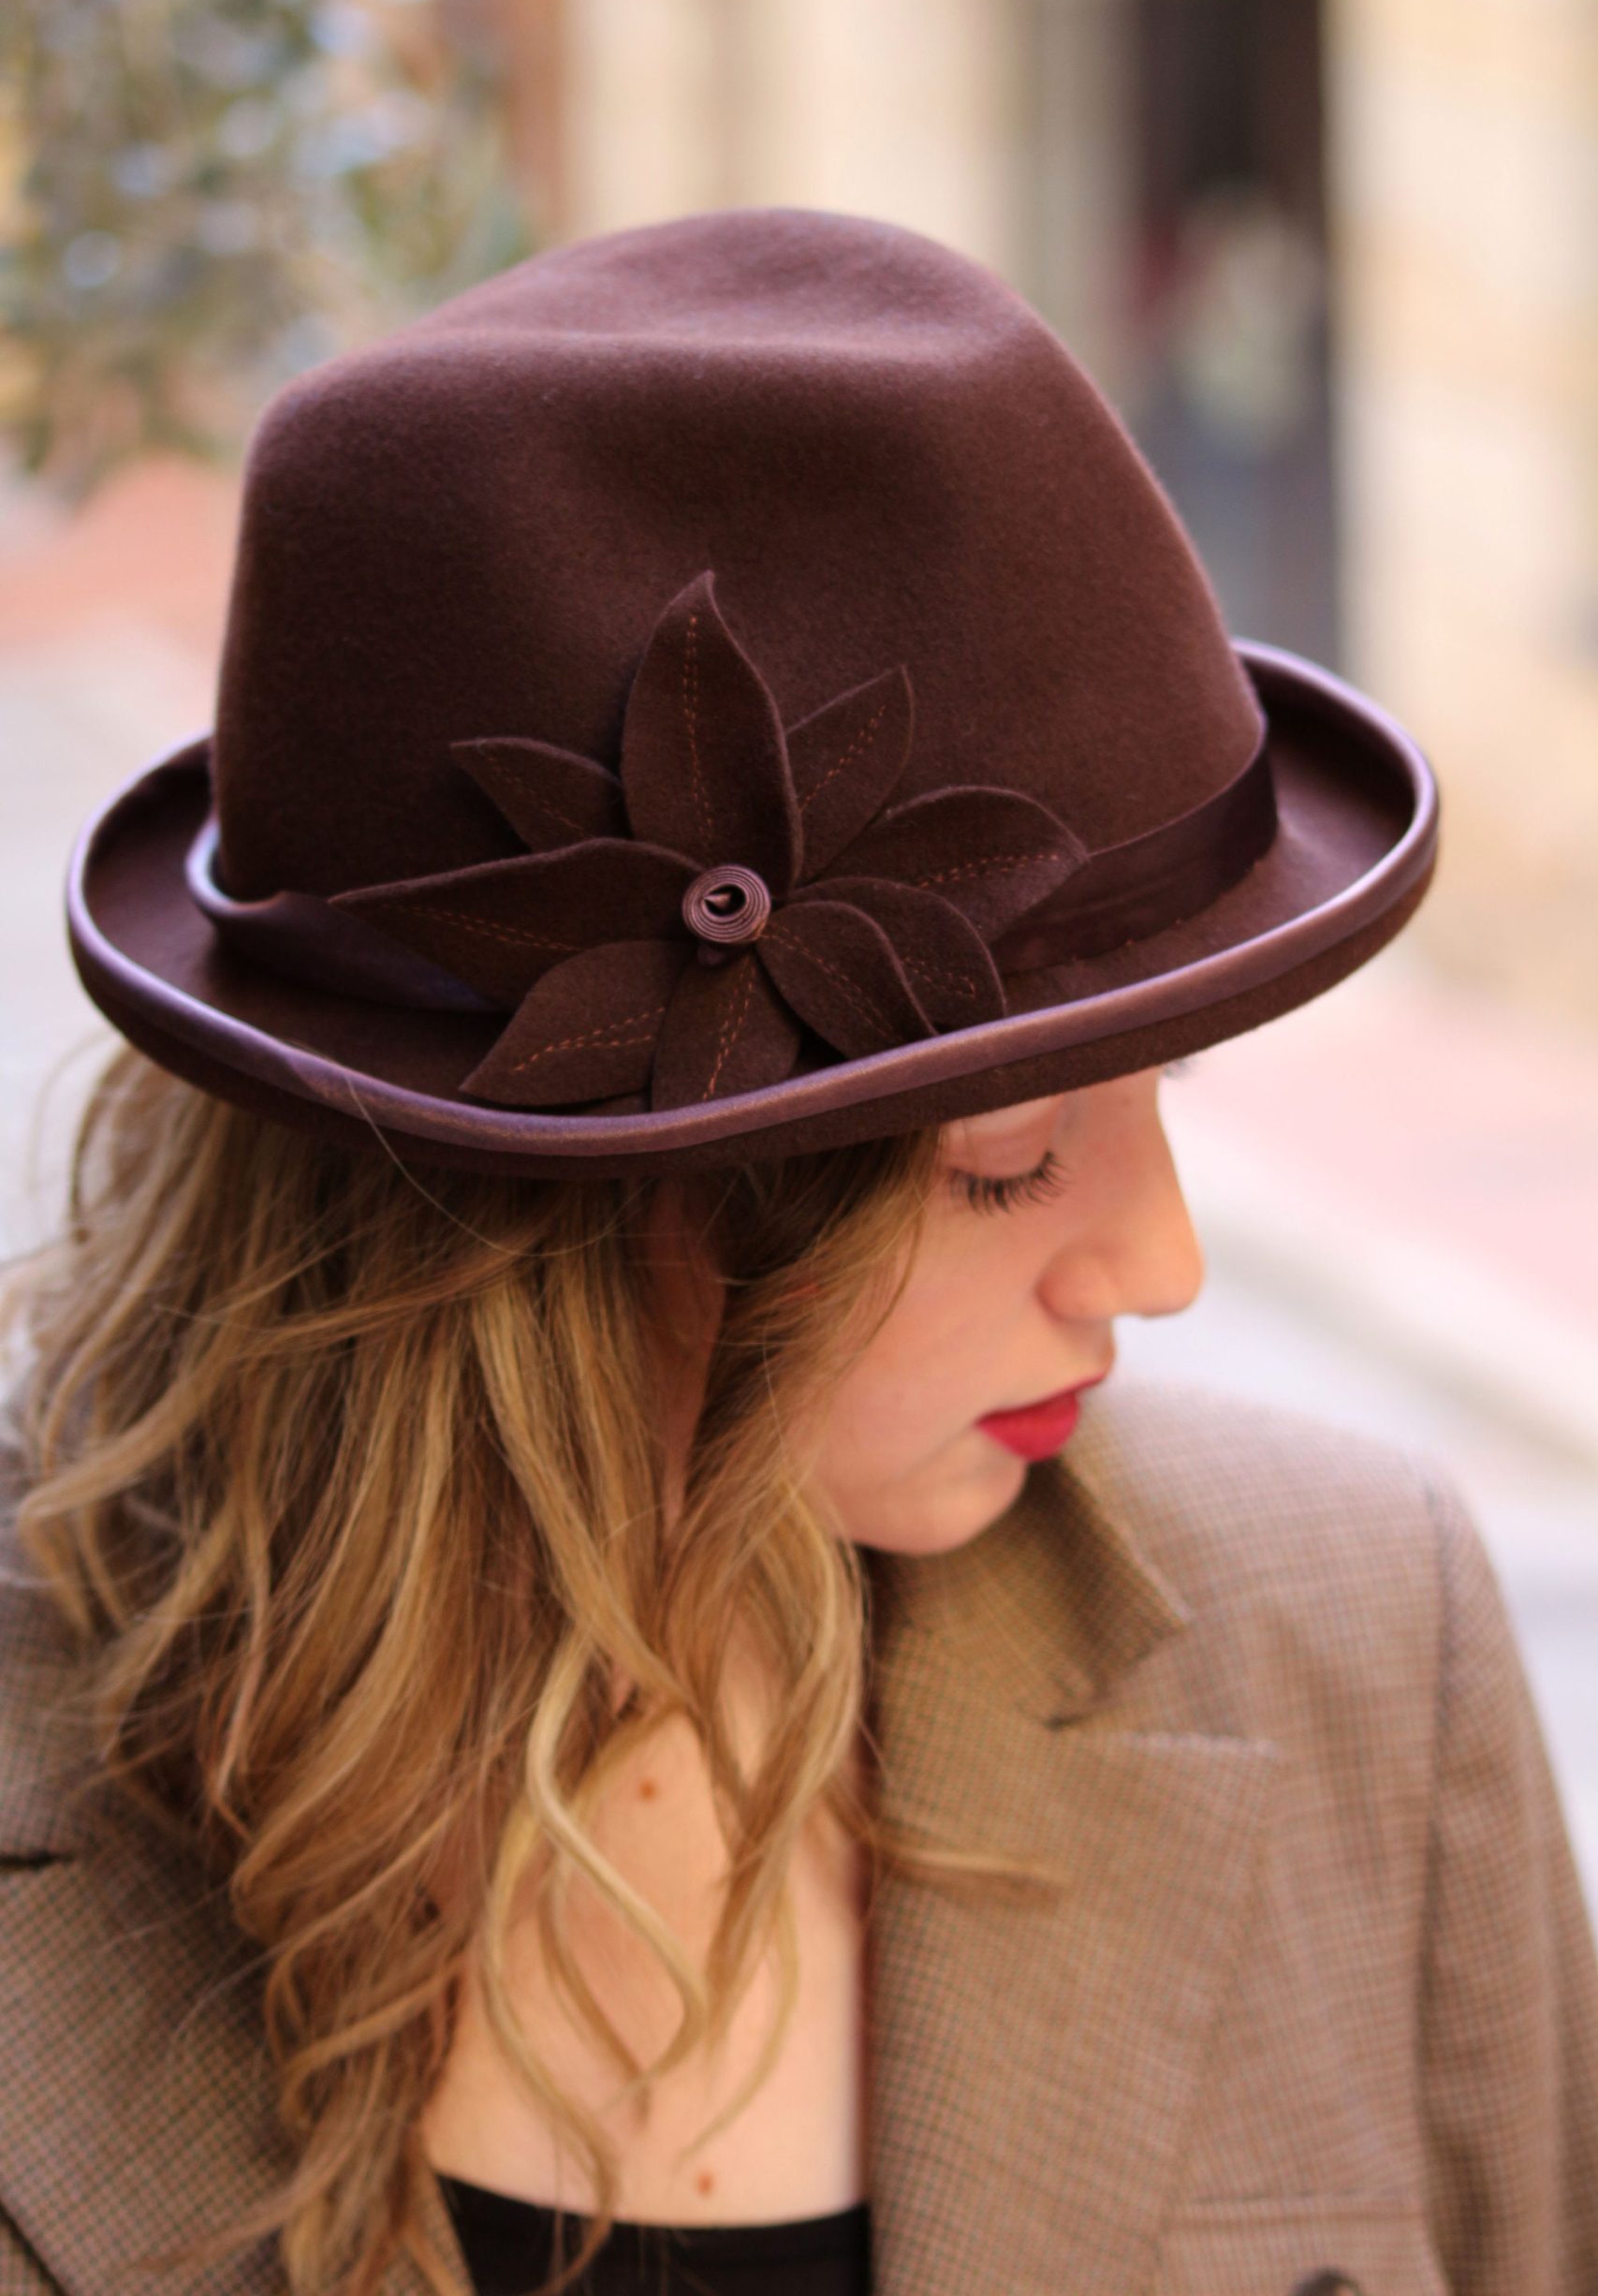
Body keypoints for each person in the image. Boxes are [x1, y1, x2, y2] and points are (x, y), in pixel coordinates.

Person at [1, 206, 1593, 2296]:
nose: (1160, 1265)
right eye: (1006, 1157)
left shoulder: (1364, 1643)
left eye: (1164, 1088)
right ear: (531, 1231)